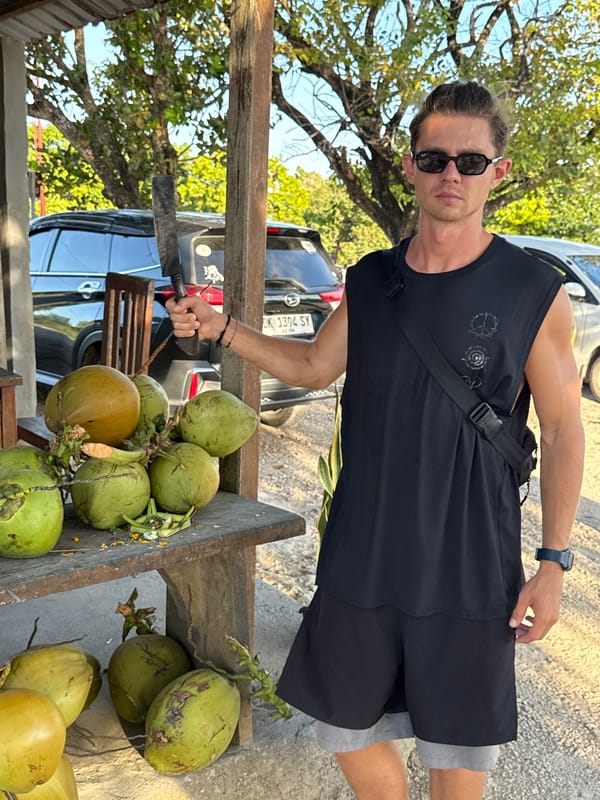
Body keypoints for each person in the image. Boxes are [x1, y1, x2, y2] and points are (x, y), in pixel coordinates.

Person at [167, 80, 584, 800]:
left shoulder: (531, 289)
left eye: (471, 161)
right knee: (347, 726)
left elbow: (567, 427)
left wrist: (552, 562)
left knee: (458, 753)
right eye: (434, 157)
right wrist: (222, 331)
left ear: (498, 172)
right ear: (410, 167)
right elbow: (312, 365)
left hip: (468, 559)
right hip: (364, 549)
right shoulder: (372, 280)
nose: (451, 174)